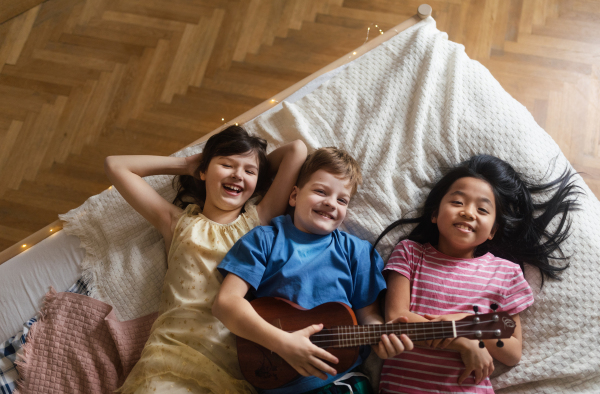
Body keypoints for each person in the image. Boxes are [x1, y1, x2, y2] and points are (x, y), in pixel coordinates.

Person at [104, 125, 307, 394]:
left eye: (249, 171)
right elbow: (116, 166)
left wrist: (252, 170)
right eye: (226, 164)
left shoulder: (257, 222)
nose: (237, 174)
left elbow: (297, 150)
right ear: (203, 171)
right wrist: (187, 164)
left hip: (230, 369)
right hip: (169, 355)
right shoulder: (177, 222)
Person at [213, 147, 414, 394]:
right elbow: (225, 303)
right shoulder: (265, 240)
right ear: (294, 196)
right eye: (320, 191)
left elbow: (368, 317)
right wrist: (283, 343)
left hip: (342, 381)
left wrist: (380, 338)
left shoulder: (356, 252)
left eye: (342, 200)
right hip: (277, 382)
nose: (331, 203)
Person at [375, 154, 579, 394]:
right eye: (458, 202)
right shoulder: (409, 253)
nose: (468, 213)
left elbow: (512, 352)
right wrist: (462, 342)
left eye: (482, 209)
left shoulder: (505, 274)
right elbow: (398, 321)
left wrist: (466, 323)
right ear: (434, 214)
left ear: (493, 230)